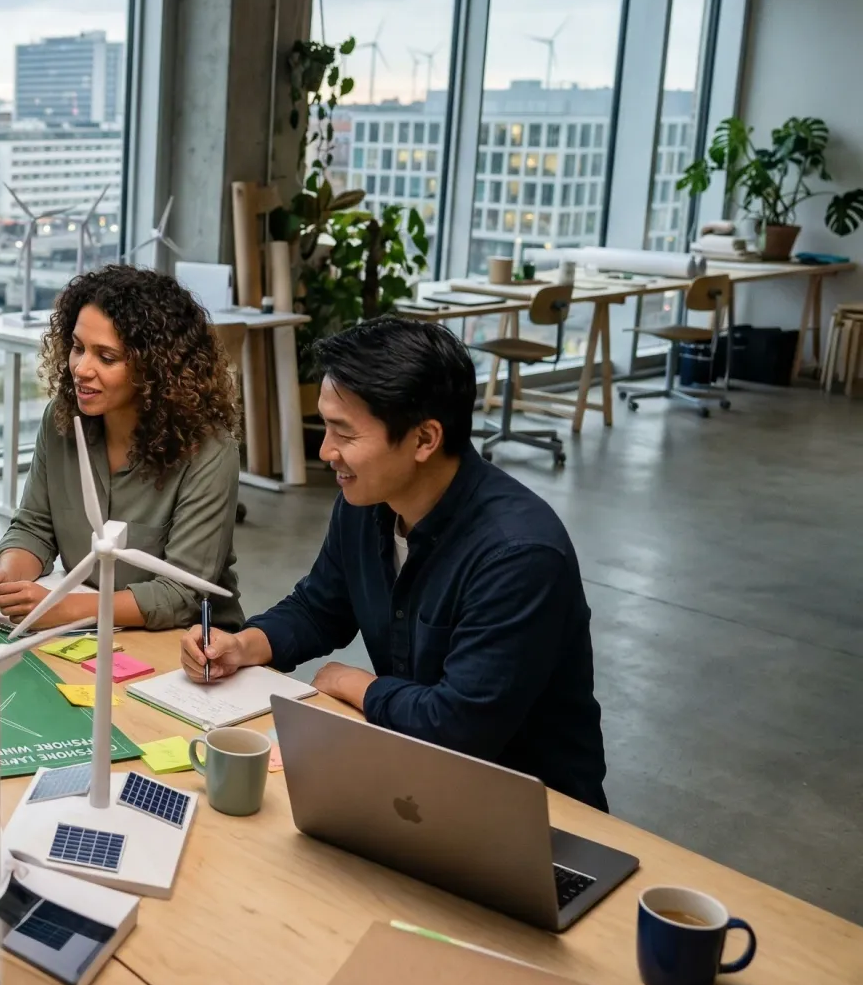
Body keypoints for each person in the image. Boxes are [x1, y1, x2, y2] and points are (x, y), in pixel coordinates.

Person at [183, 318, 607, 809]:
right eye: (325, 427)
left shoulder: (518, 555)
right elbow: (321, 607)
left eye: (344, 433)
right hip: (415, 784)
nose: (325, 452)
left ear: (425, 439)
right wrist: (243, 644)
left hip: (532, 812)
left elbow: (457, 727)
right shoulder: (368, 503)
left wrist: (354, 683)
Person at [0, 265, 242, 630]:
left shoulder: (210, 452)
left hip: (186, 647)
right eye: (78, 348)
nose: (81, 368)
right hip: (88, 631)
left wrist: (63, 608)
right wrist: (4, 581)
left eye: (106, 357)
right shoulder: (62, 420)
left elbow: (181, 593)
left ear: (158, 368)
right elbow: (34, 527)